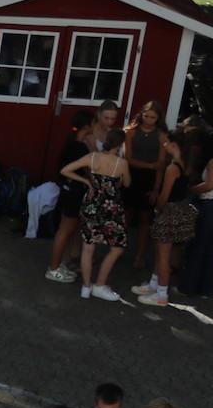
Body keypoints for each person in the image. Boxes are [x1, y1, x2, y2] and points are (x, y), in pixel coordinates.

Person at [60, 127, 130, 302]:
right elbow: (127, 183)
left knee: (88, 246)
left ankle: (86, 286)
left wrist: (85, 180)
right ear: (120, 144)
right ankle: (100, 284)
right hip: (111, 207)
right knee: (117, 246)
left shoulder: (92, 157)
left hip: (91, 203)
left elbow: (65, 170)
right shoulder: (121, 163)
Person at [134, 130, 194, 305]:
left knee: (163, 254)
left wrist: (157, 209)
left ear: (174, 145)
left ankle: (162, 294)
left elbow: (164, 196)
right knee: (161, 251)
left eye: (166, 143)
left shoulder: (172, 168)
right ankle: (154, 284)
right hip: (179, 210)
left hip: (169, 212)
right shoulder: (185, 164)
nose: (164, 145)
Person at [45, 109, 98, 283]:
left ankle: (57, 265)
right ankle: (53, 268)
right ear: (88, 125)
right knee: (65, 230)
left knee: (66, 229)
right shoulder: (80, 147)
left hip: (67, 190)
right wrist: (87, 181)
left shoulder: (71, 142)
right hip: (73, 192)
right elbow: (71, 170)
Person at [124, 101, 166, 270]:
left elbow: (161, 165)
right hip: (132, 175)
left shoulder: (161, 135)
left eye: (153, 117)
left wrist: (156, 188)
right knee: (126, 215)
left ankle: (140, 255)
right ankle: (118, 249)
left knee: (144, 219)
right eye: (146, 116)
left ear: (158, 118)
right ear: (141, 114)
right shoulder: (131, 132)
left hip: (149, 179)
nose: (149, 120)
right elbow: (128, 158)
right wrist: (150, 165)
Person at [180, 138, 213, 298]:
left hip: (210, 204)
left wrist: (192, 189)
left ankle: (188, 286)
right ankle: (206, 289)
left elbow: (210, 185)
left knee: (198, 247)